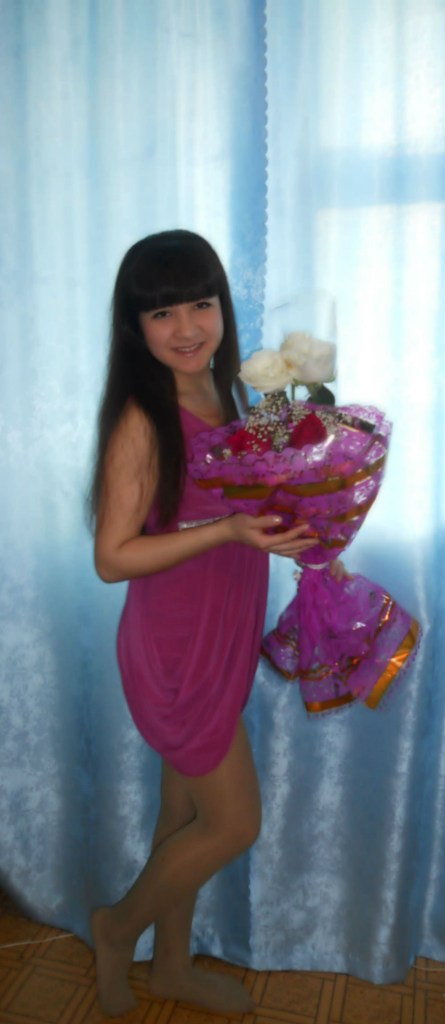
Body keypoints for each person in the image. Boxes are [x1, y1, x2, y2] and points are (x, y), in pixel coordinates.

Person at [89, 229, 324, 1018]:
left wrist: (307, 514)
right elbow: (112, 557)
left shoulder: (228, 397)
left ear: (222, 305)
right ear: (136, 327)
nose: (186, 327)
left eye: (199, 304)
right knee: (232, 822)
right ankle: (117, 928)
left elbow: (244, 497)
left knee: (182, 813)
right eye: (162, 313)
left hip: (222, 630)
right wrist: (226, 531)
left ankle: (171, 968)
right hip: (176, 647)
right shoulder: (141, 417)